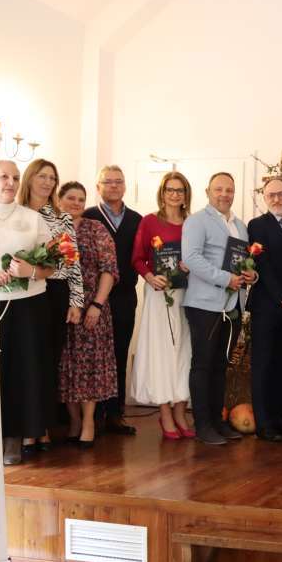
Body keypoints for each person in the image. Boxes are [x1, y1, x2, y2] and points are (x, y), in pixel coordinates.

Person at [182, 172, 257, 445]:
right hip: (204, 305)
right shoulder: (196, 221)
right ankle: (203, 425)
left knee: (221, 365)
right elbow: (191, 258)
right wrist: (226, 279)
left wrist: (252, 275)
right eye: (219, 189)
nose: (224, 194)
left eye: (229, 190)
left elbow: (244, 261)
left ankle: (218, 421)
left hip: (232, 305)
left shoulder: (240, 226)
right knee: (203, 365)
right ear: (208, 192)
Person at [17, 158, 83, 452]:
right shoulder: (16, 213)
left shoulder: (61, 217)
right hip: (21, 291)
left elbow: (72, 262)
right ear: (30, 178)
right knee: (25, 360)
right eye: (42, 176)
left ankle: (42, 427)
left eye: (52, 178)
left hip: (55, 291)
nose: (47, 182)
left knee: (47, 360)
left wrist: (76, 301)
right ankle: (25, 428)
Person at [0, 161, 54, 465]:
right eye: (3, 177)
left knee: (24, 370)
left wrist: (31, 271)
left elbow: (52, 265)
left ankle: (14, 437)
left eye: (16, 177)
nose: (10, 182)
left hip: (29, 305)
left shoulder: (33, 218)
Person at [130, 171, 194, 440]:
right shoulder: (149, 221)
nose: (175, 194)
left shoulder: (192, 223)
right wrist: (149, 276)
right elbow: (137, 258)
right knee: (162, 352)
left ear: (186, 195)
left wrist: (191, 266)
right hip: (159, 295)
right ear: (162, 193)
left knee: (185, 352)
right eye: (170, 189)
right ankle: (165, 412)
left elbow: (200, 257)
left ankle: (181, 411)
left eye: (180, 190)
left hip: (188, 295)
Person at [57, 182, 119, 449]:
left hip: (92, 309)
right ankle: (73, 421)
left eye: (81, 199)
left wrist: (97, 305)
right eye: (70, 198)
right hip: (59, 308)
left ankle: (89, 423)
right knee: (66, 367)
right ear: (59, 200)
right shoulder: (51, 228)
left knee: (89, 368)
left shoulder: (96, 228)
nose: (76, 203)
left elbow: (109, 269)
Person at [83, 165, 143, 436]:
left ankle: (116, 413)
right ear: (98, 187)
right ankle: (93, 415)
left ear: (125, 186)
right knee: (94, 357)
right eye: (108, 182)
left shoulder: (137, 219)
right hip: (93, 298)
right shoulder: (88, 216)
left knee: (119, 352)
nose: (114, 186)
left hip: (124, 296)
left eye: (119, 181)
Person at [247, 178, 282, 442]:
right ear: (265, 198)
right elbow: (263, 266)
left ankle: (279, 420)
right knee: (263, 365)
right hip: (267, 307)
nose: (276, 199)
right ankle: (264, 424)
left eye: (281, 194)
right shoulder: (257, 225)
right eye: (271, 195)